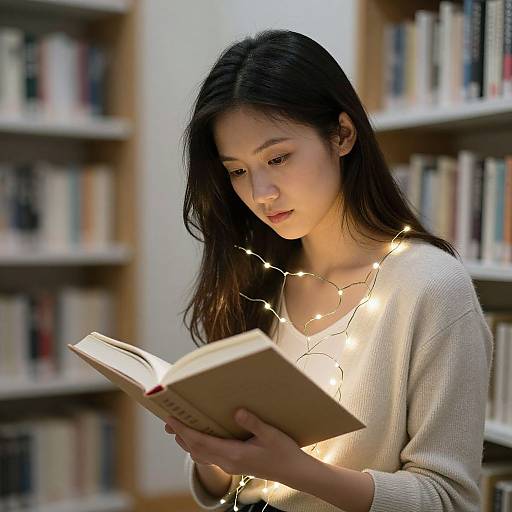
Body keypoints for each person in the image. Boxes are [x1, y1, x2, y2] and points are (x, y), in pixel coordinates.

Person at [163, 29, 493, 512]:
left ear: (342, 134)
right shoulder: (258, 274)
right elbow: (235, 487)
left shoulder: (431, 288)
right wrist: (214, 455)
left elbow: (448, 500)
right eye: (237, 170)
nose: (260, 192)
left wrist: (295, 470)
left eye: (277, 158)